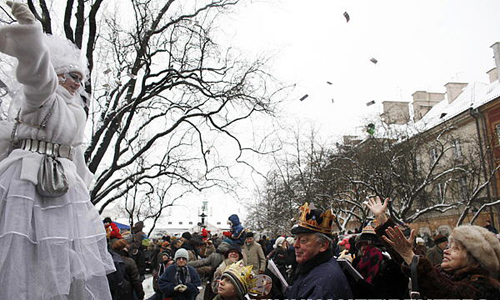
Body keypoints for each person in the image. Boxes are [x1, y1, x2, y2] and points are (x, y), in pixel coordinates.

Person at [0, 2, 115, 299]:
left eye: (81, 78)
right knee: (21, 251)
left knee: (63, 256)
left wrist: (83, 197)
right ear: (58, 74)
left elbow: (76, 159)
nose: (78, 83)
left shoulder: (76, 115)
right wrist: (32, 36)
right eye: (72, 76)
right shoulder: (44, 98)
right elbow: (38, 72)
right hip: (26, 185)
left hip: (64, 190)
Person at [366, 196, 500, 299]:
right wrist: (382, 218)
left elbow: (445, 291)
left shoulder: (483, 287)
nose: (446, 251)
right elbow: (409, 261)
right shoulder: (444, 273)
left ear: (476, 260)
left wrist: (409, 256)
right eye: (448, 246)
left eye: (456, 249)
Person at [285, 203, 353, 300]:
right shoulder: (311, 268)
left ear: (323, 245)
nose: (295, 245)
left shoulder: (323, 285)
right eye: (296, 239)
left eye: (303, 240)